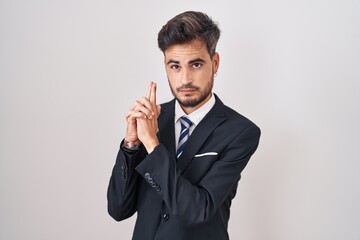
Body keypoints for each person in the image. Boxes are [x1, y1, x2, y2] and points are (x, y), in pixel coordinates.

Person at [107, 11, 261, 240]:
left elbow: (198, 210)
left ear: (215, 62)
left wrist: (152, 144)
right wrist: (131, 146)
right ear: (165, 65)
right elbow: (118, 210)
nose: (185, 79)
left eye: (196, 64)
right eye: (175, 66)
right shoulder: (152, 120)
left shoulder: (240, 132)